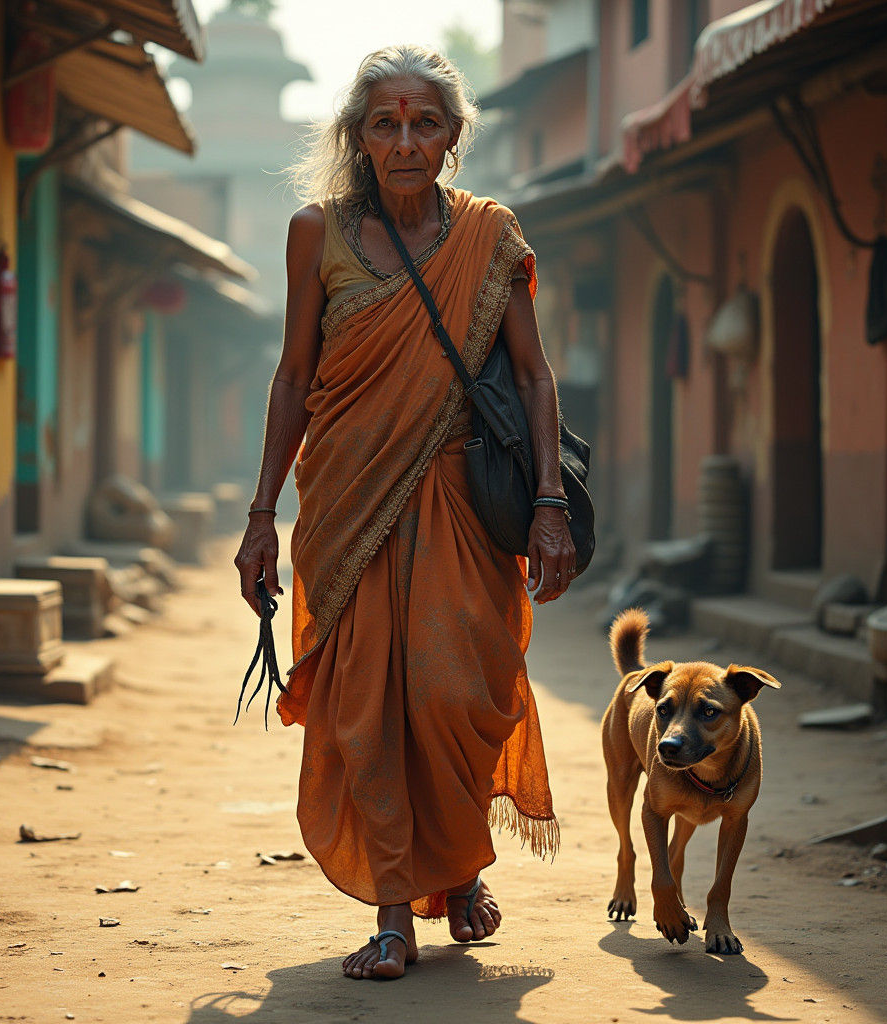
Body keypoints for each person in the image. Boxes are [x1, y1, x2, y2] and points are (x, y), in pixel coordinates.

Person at [234, 44, 576, 981]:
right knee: (368, 709)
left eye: (425, 122)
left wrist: (549, 502)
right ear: (357, 137)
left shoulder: (489, 234)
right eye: (384, 123)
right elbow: (295, 377)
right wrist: (262, 514)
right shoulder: (318, 234)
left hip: (464, 503)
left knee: (456, 690)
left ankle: (459, 864)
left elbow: (536, 375)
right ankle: (395, 912)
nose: (405, 140)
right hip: (346, 503)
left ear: (453, 137)